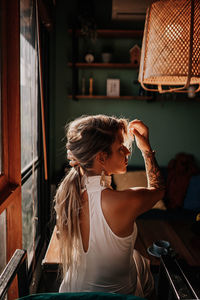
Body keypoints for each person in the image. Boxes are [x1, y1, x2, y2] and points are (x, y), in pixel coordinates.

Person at [54, 114, 165, 298]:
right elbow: (159, 189)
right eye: (120, 147)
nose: (127, 152)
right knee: (141, 265)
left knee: (137, 259)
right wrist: (146, 147)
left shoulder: (68, 195)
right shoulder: (122, 201)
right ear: (101, 158)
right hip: (115, 298)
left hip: (70, 295)